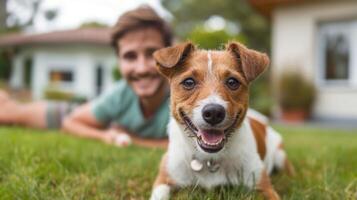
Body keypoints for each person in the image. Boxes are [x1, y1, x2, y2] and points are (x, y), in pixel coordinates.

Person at [0, 6, 172, 148]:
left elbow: (185, 147)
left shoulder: (186, 94)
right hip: (74, 110)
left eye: (152, 53)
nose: (141, 68)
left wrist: (134, 140)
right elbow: (69, 122)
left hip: (82, 112)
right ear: (118, 60)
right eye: (129, 56)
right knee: (8, 113)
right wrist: (105, 136)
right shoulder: (121, 93)